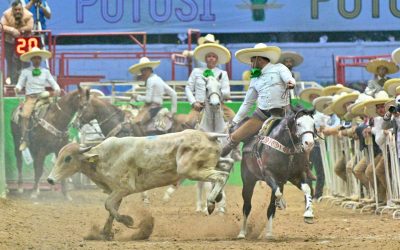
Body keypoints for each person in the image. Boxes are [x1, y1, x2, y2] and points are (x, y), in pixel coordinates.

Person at [221, 43, 295, 156]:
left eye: (252, 60)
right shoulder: (254, 79)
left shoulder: (279, 68)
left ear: (259, 59)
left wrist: (291, 82)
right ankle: (221, 156)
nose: (251, 63)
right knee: (234, 137)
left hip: (284, 114)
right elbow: (247, 103)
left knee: (304, 135)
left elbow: (288, 78)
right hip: (261, 116)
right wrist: (235, 121)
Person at [15, 47, 60, 150]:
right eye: (34, 58)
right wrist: (17, 88)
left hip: (44, 97)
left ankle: (61, 136)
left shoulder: (45, 72)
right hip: (31, 98)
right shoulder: (25, 71)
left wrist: (57, 89)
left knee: (57, 111)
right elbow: (20, 84)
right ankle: (24, 139)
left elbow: (53, 83)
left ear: (41, 59)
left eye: (38, 58)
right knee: (25, 115)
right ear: (31, 59)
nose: (36, 60)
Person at [186, 42, 235, 122]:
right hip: (199, 106)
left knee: (233, 118)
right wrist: (194, 102)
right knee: (188, 122)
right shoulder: (196, 71)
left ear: (217, 59)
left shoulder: (222, 73)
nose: (211, 58)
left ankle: (230, 134)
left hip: (219, 105)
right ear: (205, 59)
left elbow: (226, 92)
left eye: (213, 56)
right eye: (209, 56)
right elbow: (188, 88)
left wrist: (216, 98)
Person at [129, 57, 177, 128]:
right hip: (160, 107)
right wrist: (173, 111)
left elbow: (148, 100)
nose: (142, 74)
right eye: (142, 71)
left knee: (135, 125)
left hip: (152, 109)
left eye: (143, 71)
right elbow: (173, 94)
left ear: (148, 70)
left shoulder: (150, 80)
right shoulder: (158, 79)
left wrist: (137, 97)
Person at [1, 0, 33, 84]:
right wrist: (12, 30)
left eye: (19, 9)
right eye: (15, 10)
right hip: (9, 42)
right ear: (12, 9)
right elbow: (1, 26)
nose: (17, 11)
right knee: (10, 62)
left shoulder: (28, 15)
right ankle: (13, 83)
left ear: (22, 8)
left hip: (24, 42)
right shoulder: (6, 14)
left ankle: (26, 82)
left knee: (25, 61)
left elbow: (30, 26)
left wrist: (20, 30)